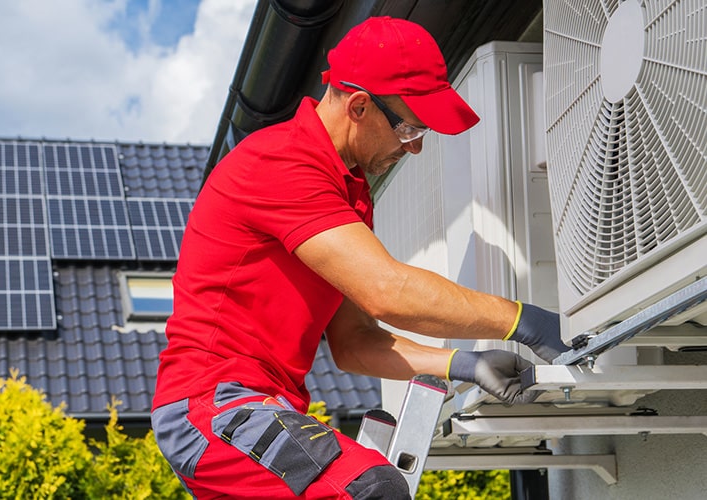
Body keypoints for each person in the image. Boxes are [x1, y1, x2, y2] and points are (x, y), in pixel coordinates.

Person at [151, 16, 569, 499]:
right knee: (369, 488)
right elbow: (387, 292)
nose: (414, 148)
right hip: (215, 405)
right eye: (409, 128)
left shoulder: (347, 193)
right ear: (359, 106)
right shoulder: (282, 163)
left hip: (257, 406)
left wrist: (462, 363)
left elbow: (354, 342)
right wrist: (524, 321)